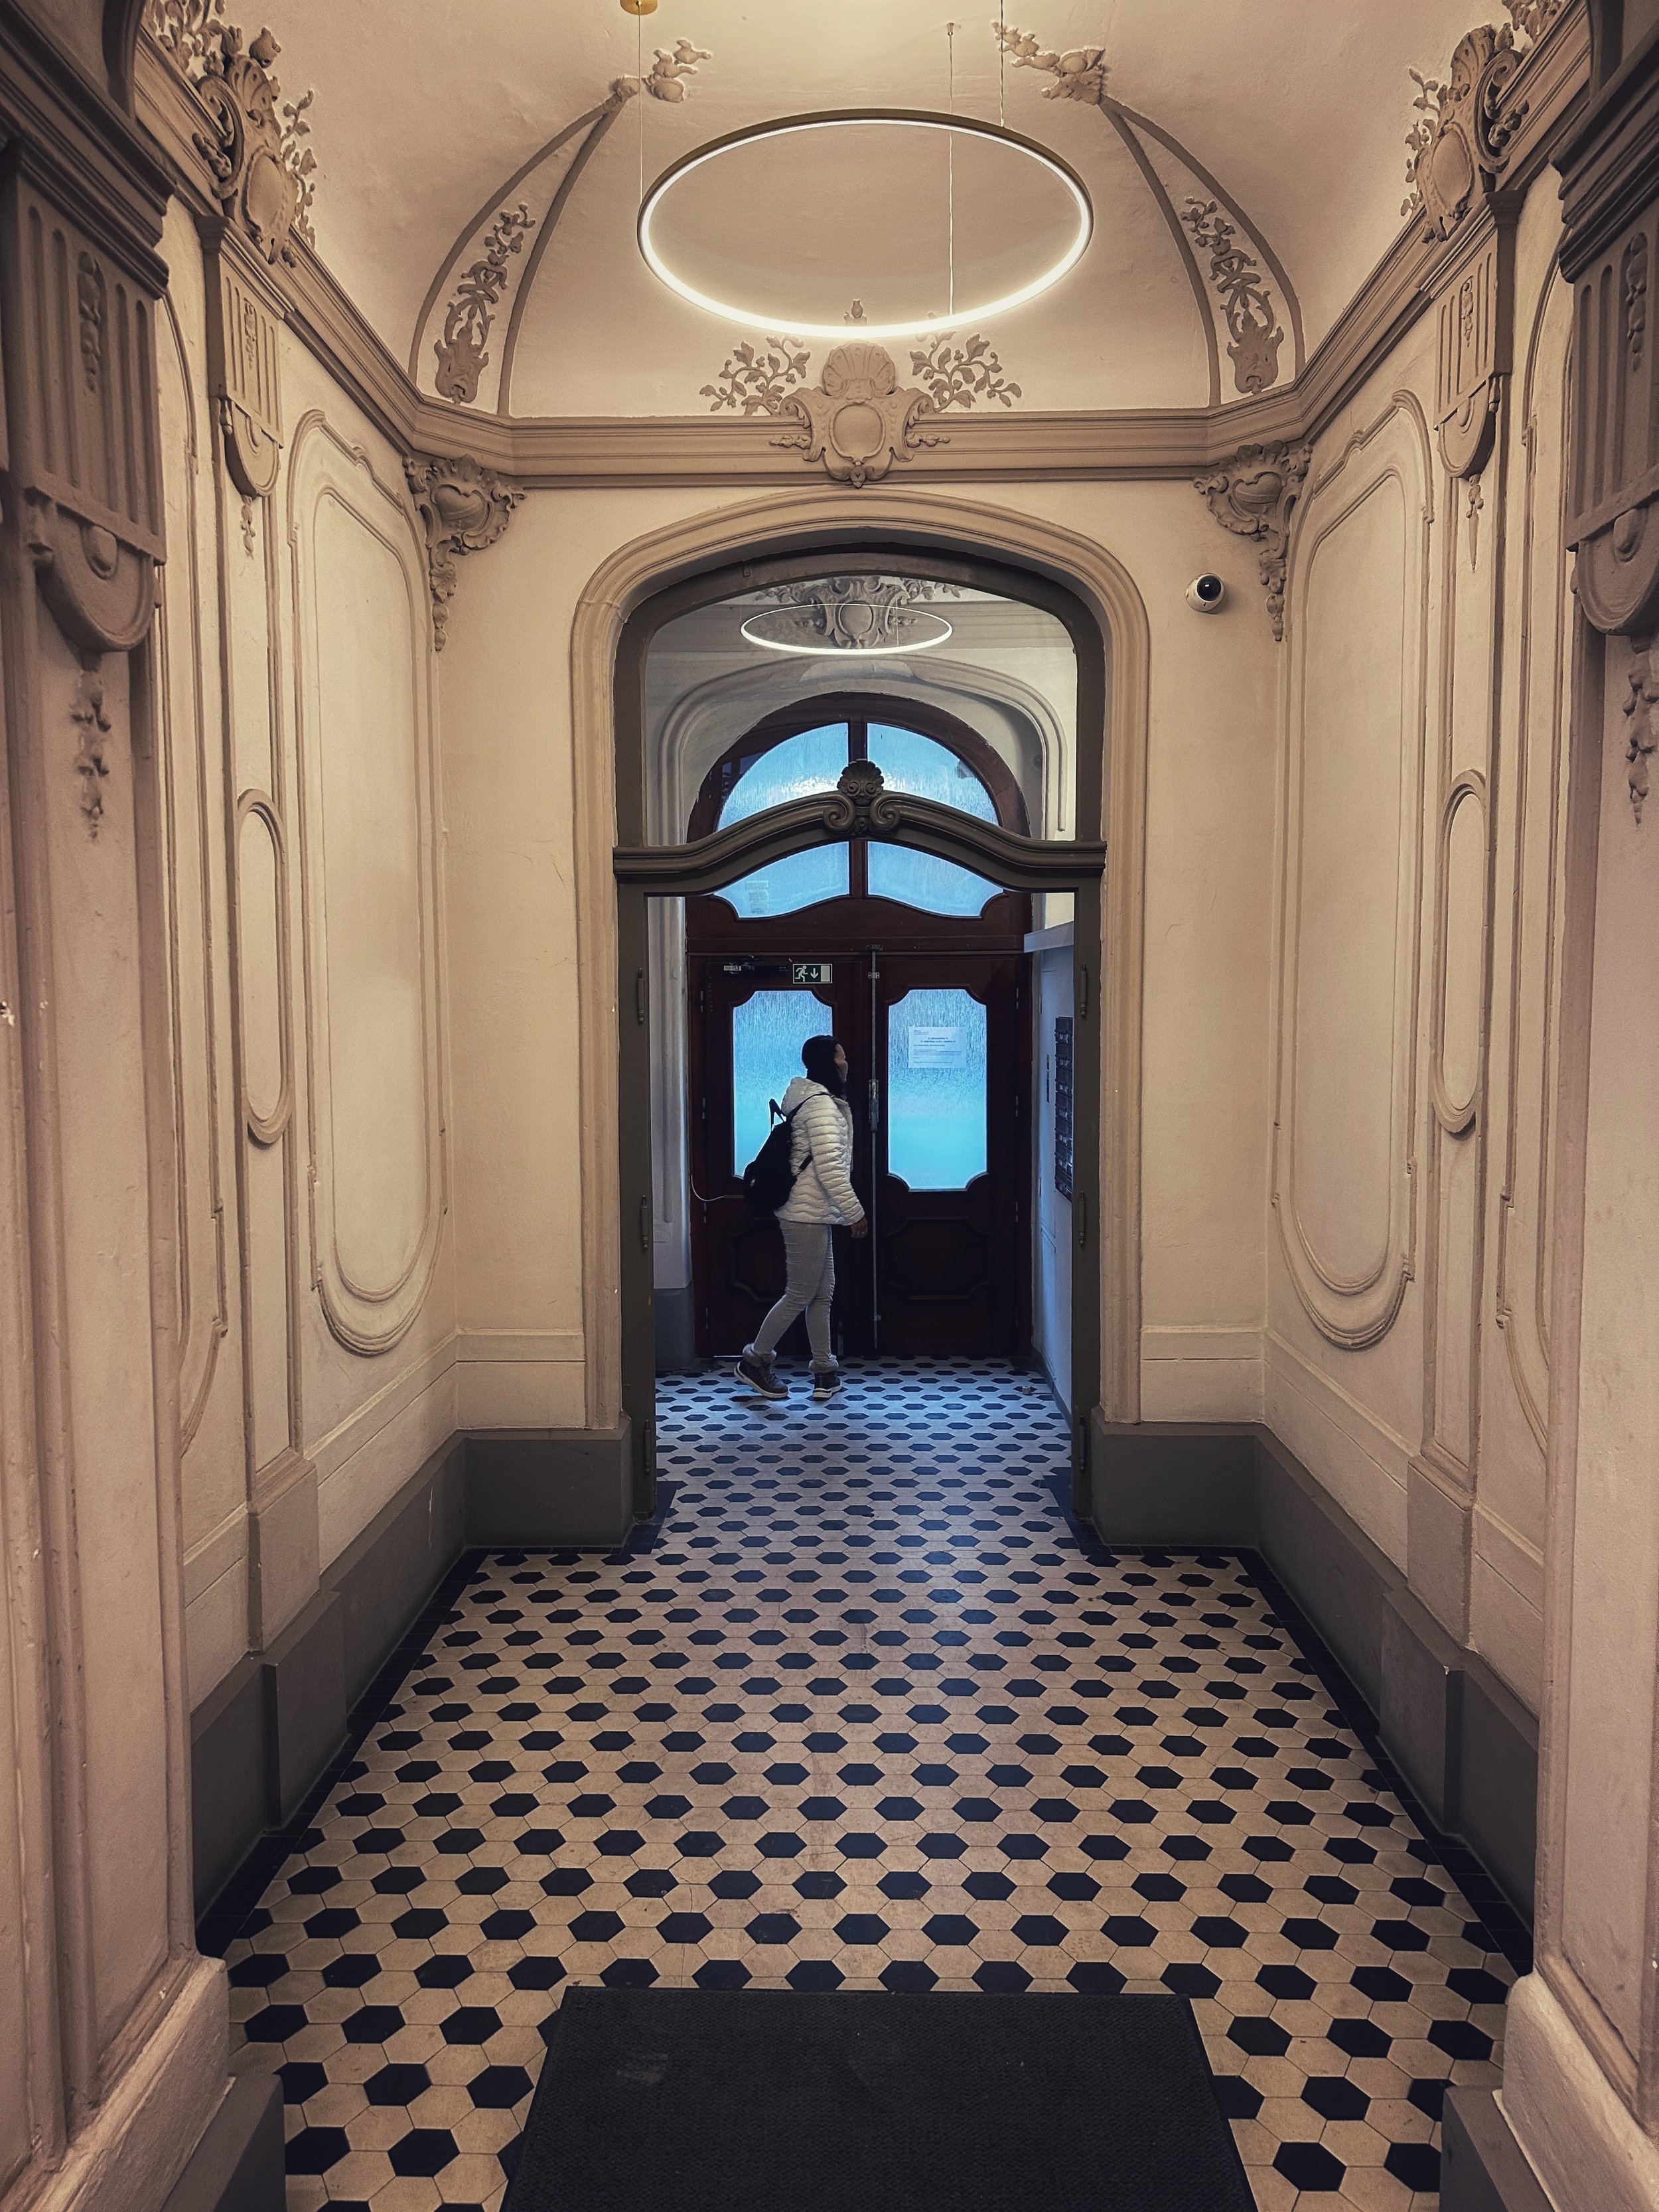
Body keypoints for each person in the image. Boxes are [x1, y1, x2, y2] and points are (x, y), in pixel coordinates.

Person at [737, 1035, 867, 1404]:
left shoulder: (809, 1099)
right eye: (841, 1057)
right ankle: (754, 1360)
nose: (846, 1063)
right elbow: (830, 1170)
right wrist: (855, 1213)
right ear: (828, 1063)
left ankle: (825, 1372)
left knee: (821, 1293)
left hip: (813, 1210)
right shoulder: (822, 1107)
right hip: (805, 1213)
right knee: (800, 1293)